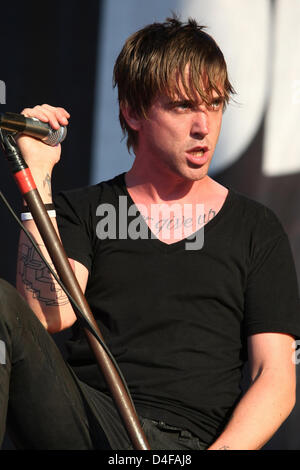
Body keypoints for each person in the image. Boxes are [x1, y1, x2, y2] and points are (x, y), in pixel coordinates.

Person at [1, 16, 300, 450]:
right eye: (183, 106)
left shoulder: (257, 228)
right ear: (133, 111)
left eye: (214, 105)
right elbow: (48, 314)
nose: (204, 126)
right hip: (91, 424)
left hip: (188, 445)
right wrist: (39, 176)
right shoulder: (85, 210)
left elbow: (274, 376)